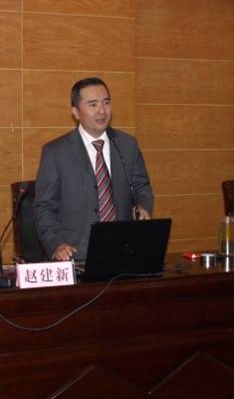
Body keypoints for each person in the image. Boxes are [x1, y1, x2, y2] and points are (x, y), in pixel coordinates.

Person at [34, 77, 153, 261]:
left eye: (106, 103)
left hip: (124, 250)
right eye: (93, 105)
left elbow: (141, 186)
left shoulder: (127, 145)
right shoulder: (56, 152)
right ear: (76, 112)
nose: (102, 111)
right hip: (76, 254)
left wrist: (143, 206)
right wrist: (56, 244)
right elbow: (44, 207)